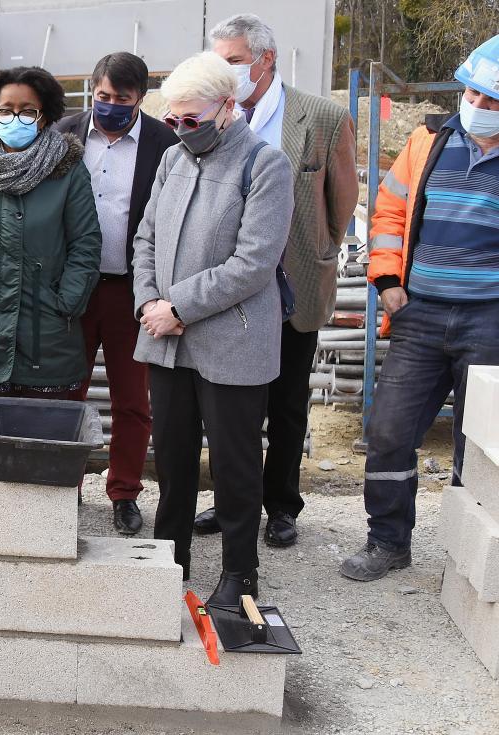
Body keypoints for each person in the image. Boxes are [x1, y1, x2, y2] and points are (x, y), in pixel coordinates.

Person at [132, 52, 294, 604]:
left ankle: (238, 576)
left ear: (227, 108)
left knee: (235, 466)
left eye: (191, 120)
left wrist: (177, 307)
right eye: (173, 120)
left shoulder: (265, 164)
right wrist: (148, 302)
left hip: (233, 341)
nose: (180, 130)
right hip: (167, 342)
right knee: (172, 462)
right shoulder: (173, 160)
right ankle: (166, 563)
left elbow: (254, 262)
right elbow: (145, 239)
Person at [194, 13, 359, 548]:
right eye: (217, 61)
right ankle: (229, 502)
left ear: (265, 60)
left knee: (287, 403)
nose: (225, 71)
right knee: (229, 406)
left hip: (294, 284)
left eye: (234, 61)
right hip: (229, 286)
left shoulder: (322, 118)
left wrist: (318, 250)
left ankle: (282, 506)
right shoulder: (210, 115)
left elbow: (342, 199)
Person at [341, 35, 499, 582]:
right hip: (421, 315)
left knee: (478, 442)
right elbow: (387, 211)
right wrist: (386, 281)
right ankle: (387, 542)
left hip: (490, 320)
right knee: (389, 431)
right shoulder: (426, 142)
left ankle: (467, 555)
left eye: (491, 101)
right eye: (472, 95)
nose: (476, 107)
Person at [52, 52, 178, 536]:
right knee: (65, 392)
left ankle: (124, 492)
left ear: (140, 99)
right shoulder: (64, 135)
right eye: (102, 97)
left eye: (121, 100)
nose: (109, 106)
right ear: (92, 92)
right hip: (73, 290)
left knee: (132, 401)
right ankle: (64, 486)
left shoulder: (165, 144)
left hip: (134, 291)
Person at [0, 66, 101, 400]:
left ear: (43, 117)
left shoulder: (67, 168)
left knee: (42, 435)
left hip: (47, 325)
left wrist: (67, 301)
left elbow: (85, 243)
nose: (16, 118)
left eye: (27, 111)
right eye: (6, 110)